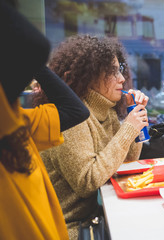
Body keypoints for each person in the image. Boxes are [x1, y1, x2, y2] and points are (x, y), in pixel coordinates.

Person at [35, 34, 149, 239]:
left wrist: (136, 114)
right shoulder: (71, 118)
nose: (122, 78)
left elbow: (129, 159)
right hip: (67, 228)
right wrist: (128, 129)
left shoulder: (108, 111)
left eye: (120, 69)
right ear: (88, 76)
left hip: (94, 218)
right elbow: (87, 182)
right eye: (112, 72)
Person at [0, 1, 89, 239]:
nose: (121, 78)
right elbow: (33, 46)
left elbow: (75, 112)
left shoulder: (17, 121)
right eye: (113, 70)